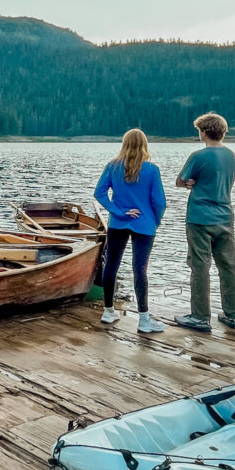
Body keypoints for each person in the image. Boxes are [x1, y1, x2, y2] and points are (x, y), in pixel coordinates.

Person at [94, 128, 167, 333]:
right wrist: (155, 221)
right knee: (140, 269)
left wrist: (118, 211)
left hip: (118, 223)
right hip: (144, 224)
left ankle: (108, 311)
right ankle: (144, 320)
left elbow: (99, 193)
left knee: (111, 265)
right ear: (144, 144)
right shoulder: (152, 170)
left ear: (124, 143)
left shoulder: (113, 166)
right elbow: (159, 202)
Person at [174, 112, 235, 333]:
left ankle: (200, 317)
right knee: (229, 266)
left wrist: (188, 183)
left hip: (200, 218)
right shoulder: (231, 156)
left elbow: (180, 181)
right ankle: (232, 316)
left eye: (199, 131)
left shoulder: (198, 156)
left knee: (200, 266)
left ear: (204, 132)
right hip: (225, 216)